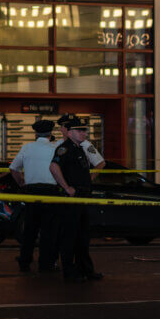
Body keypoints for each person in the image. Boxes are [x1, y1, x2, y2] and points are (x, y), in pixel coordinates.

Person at [49, 115, 103, 283]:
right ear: (70, 132)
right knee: (70, 236)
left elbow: (98, 165)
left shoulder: (80, 148)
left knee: (83, 236)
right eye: (80, 131)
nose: (83, 134)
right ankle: (70, 271)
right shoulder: (64, 148)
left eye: (84, 131)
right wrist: (67, 187)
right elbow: (53, 166)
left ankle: (85, 269)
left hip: (82, 196)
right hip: (73, 198)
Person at [10, 119, 60, 273]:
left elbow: (13, 168)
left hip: (31, 192)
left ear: (35, 133)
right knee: (48, 230)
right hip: (51, 193)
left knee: (30, 229)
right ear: (50, 133)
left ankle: (25, 260)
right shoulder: (55, 148)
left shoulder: (27, 148)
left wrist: (21, 183)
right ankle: (46, 263)